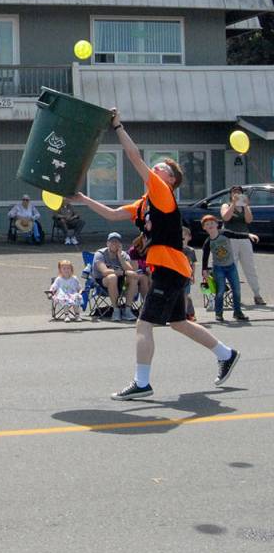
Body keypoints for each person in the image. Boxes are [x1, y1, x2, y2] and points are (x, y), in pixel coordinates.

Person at [71, 109, 240, 400]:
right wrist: (82, 198)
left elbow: (135, 158)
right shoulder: (143, 204)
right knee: (178, 322)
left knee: (144, 322)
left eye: (163, 167)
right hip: (169, 269)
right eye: (159, 166)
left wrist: (118, 126)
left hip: (170, 268)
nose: (157, 168)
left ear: (171, 180)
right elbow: (112, 215)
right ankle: (226, 353)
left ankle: (142, 382)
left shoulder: (162, 193)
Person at [200, 214, 259, 323]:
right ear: (204, 228)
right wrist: (204, 270)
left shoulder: (224, 233)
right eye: (207, 224)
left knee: (236, 290)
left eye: (212, 223)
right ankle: (219, 314)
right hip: (218, 268)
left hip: (231, 266)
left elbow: (236, 235)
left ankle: (237, 313)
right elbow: (205, 257)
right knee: (220, 291)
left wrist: (248, 235)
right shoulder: (208, 242)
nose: (210, 225)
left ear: (217, 224)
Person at [220, 186, 265, 305]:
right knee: (232, 267)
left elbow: (249, 220)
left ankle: (257, 294)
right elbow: (225, 217)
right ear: (230, 195)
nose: (236, 194)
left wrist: (245, 206)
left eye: (239, 193)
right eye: (234, 193)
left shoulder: (245, 206)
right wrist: (233, 204)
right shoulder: (226, 205)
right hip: (230, 239)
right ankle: (234, 296)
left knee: (250, 267)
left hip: (244, 238)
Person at [92, 232, 149, 322]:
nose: (114, 244)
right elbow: (104, 272)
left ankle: (127, 310)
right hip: (102, 282)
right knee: (112, 277)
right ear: (107, 243)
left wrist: (120, 257)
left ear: (120, 244)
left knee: (133, 277)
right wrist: (123, 272)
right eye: (112, 242)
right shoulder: (100, 254)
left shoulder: (123, 254)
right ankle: (116, 310)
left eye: (117, 242)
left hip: (121, 282)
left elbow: (131, 270)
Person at [182, 224, 197, 322]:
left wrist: (193, 275)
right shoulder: (175, 249)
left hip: (187, 276)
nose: (182, 238)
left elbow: (193, 264)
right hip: (176, 275)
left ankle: (185, 313)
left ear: (189, 237)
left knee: (186, 295)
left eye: (184, 236)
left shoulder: (191, 251)